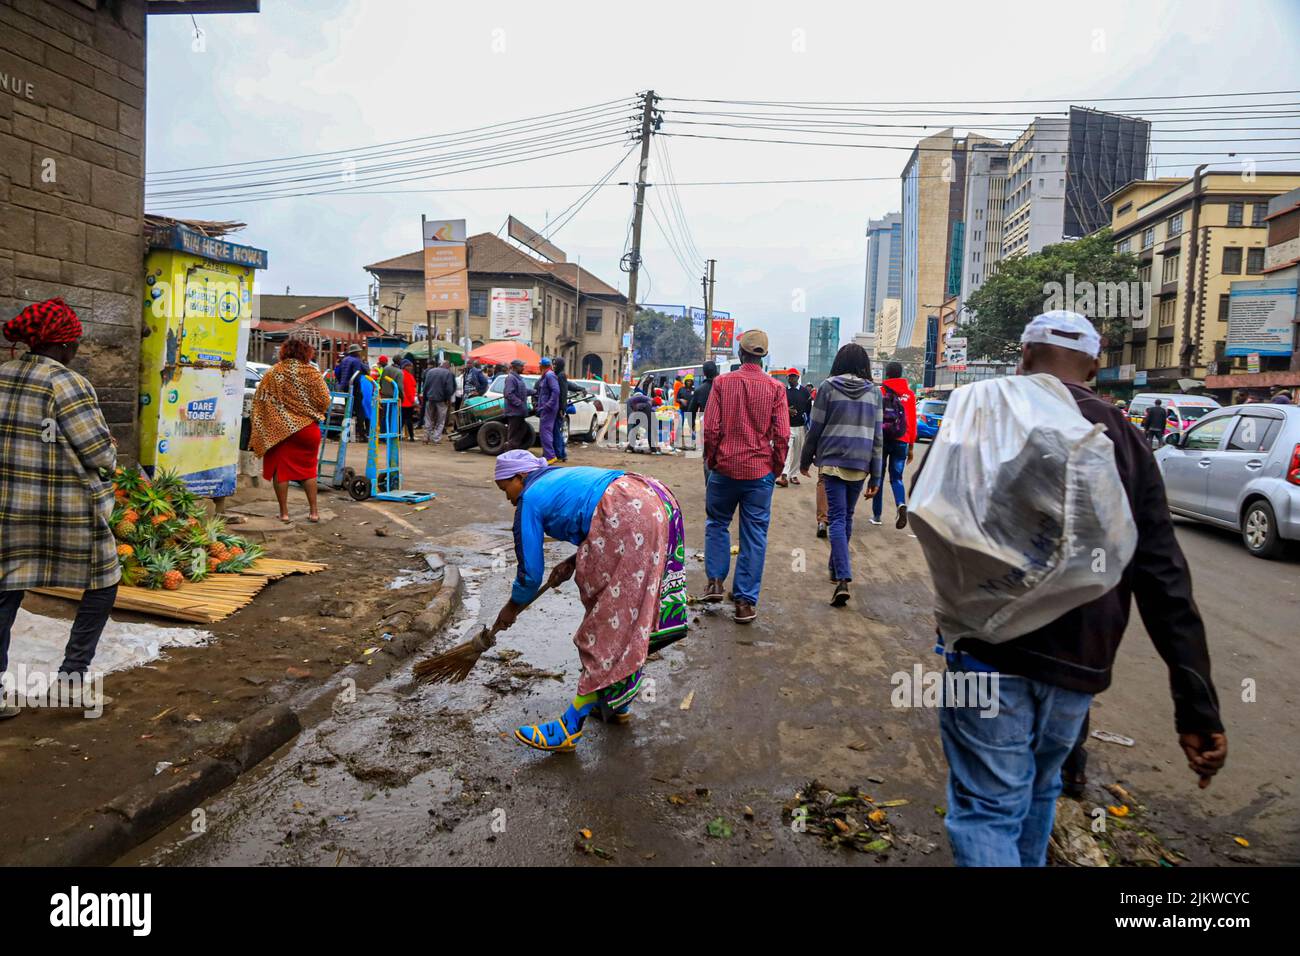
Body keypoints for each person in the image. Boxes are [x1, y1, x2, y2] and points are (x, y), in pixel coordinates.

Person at [932, 311, 1226, 866]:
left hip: (986, 651)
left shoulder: (983, 415)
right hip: (1078, 662)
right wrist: (1197, 708)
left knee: (987, 807)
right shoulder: (1127, 438)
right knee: (1040, 789)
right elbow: (1163, 577)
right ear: (1095, 363)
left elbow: (934, 508)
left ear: (1022, 357)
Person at [491, 451, 687, 752]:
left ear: (520, 478)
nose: (508, 499)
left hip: (628, 516)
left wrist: (512, 608)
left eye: (506, 489)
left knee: (609, 622)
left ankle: (571, 726)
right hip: (652, 500)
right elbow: (591, 512)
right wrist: (572, 560)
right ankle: (615, 699)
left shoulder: (529, 499)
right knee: (628, 614)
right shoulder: (555, 477)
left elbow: (530, 574)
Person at [1, 299, 119, 718]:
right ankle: (71, 678)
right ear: (65, 344)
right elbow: (98, 452)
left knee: (5, 588)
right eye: (76, 342)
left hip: (6, 510)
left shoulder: (2, 376)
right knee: (103, 582)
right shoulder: (67, 383)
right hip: (64, 510)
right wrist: (111, 457)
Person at [701, 329, 789, 624]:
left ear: (740, 354)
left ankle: (714, 582)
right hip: (759, 474)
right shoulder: (776, 389)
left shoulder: (722, 383)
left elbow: (711, 429)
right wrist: (774, 469)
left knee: (717, 523)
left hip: (724, 470)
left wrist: (713, 460)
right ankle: (744, 603)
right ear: (763, 357)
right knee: (754, 537)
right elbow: (783, 435)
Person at [799, 344, 882, 607]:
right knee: (845, 517)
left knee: (836, 518)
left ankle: (843, 577)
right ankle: (836, 569)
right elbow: (878, 437)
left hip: (833, 460)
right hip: (860, 462)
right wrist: (877, 476)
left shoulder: (828, 387)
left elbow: (816, 427)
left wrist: (805, 459)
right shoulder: (874, 392)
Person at [251, 337, 330, 523]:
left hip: (282, 431)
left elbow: (261, 400)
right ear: (307, 353)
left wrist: (274, 420)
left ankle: (284, 514)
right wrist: (311, 412)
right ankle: (314, 512)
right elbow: (325, 400)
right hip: (308, 431)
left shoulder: (274, 372)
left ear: (284, 351)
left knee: (281, 470)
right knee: (308, 471)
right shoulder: (312, 372)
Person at [870, 361, 917, 528]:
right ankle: (900, 504)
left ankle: (877, 516)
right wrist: (911, 446)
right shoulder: (910, 395)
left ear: (887, 374)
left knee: (879, 477)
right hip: (902, 441)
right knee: (897, 477)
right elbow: (912, 421)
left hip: (882, 440)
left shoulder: (879, 391)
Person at [778, 370, 812, 487]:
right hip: (787, 426)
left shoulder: (804, 392)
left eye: (794, 377)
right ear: (787, 378)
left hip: (800, 426)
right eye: (790, 377)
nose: (792, 379)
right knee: (787, 450)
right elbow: (777, 405)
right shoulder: (783, 391)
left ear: (798, 377)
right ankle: (784, 475)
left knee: (798, 452)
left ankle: (793, 474)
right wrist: (787, 410)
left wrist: (807, 423)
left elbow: (808, 409)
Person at [334, 344, 369, 440]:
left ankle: (346, 434)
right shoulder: (356, 361)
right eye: (359, 351)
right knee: (359, 411)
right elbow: (357, 375)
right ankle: (362, 434)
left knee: (348, 410)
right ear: (356, 352)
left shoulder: (344, 360)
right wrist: (356, 387)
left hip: (344, 387)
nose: (360, 352)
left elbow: (337, 373)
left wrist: (342, 383)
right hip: (354, 387)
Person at [421, 359, 456, 444]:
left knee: (428, 418)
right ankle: (436, 438)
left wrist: (425, 397)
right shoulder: (448, 373)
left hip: (430, 398)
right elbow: (449, 388)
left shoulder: (430, 372)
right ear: (448, 366)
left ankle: (426, 437)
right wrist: (448, 399)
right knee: (441, 420)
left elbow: (425, 386)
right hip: (441, 400)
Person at [502, 358, 532, 451]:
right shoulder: (511, 378)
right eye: (521, 366)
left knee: (522, 429)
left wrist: (534, 391)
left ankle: (513, 448)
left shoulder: (517, 378)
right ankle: (509, 450)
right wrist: (519, 403)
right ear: (515, 367)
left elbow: (522, 391)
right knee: (513, 433)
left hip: (519, 412)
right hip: (514, 412)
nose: (523, 367)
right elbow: (508, 393)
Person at [535, 357, 561, 463]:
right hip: (546, 408)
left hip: (548, 409)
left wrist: (548, 405)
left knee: (545, 432)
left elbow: (556, 391)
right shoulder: (546, 376)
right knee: (546, 432)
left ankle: (550, 456)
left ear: (541, 366)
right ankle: (548, 455)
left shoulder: (549, 375)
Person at [552, 356, 572, 463]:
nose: (554, 366)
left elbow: (563, 393)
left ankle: (561, 454)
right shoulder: (557, 375)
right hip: (558, 408)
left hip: (559, 409)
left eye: (555, 364)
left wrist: (561, 408)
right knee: (556, 431)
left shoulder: (561, 375)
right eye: (553, 364)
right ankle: (560, 453)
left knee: (557, 432)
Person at [625, 385, 653, 452]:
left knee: (635, 428)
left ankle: (630, 447)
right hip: (642, 410)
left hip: (640, 411)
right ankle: (653, 448)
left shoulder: (634, 400)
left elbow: (634, 410)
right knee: (649, 429)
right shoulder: (648, 401)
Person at [399, 359, 418, 441]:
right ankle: (411, 436)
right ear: (405, 366)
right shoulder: (407, 376)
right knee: (408, 420)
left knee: (402, 419)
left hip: (402, 401)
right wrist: (413, 401)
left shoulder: (401, 374)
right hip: (408, 402)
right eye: (409, 365)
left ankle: (399, 435)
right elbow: (409, 390)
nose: (411, 367)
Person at [676, 375, 695, 449]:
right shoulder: (681, 389)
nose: (689, 382)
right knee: (680, 426)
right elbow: (677, 399)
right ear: (685, 381)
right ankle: (679, 442)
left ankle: (692, 441)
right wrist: (681, 400)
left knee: (690, 426)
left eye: (690, 381)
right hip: (682, 411)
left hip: (691, 411)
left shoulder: (694, 390)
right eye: (687, 381)